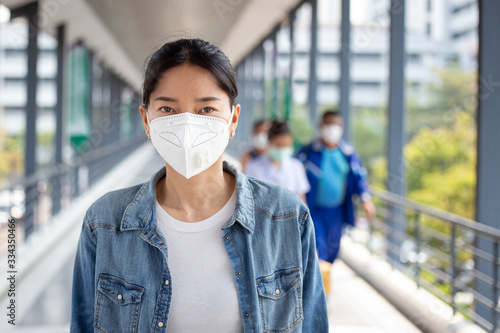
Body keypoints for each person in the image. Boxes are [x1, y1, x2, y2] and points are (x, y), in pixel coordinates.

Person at [70, 38, 328, 332]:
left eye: (206, 109)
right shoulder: (104, 222)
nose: (187, 125)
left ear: (233, 119)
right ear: (146, 119)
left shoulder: (286, 216)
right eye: (168, 110)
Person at [296, 110, 376, 267]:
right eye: (328, 124)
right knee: (318, 249)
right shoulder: (308, 152)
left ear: (342, 127)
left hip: (337, 211)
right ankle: (320, 289)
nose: (332, 128)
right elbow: (292, 172)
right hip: (313, 210)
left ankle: (324, 283)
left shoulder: (348, 153)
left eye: (336, 125)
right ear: (320, 126)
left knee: (334, 249)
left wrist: (365, 200)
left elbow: (359, 177)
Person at [244, 120, 310, 202]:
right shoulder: (253, 166)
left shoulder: (296, 166)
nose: (282, 149)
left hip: (292, 214)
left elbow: (301, 200)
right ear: (269, 142)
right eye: (278, 145)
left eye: (286, 145)